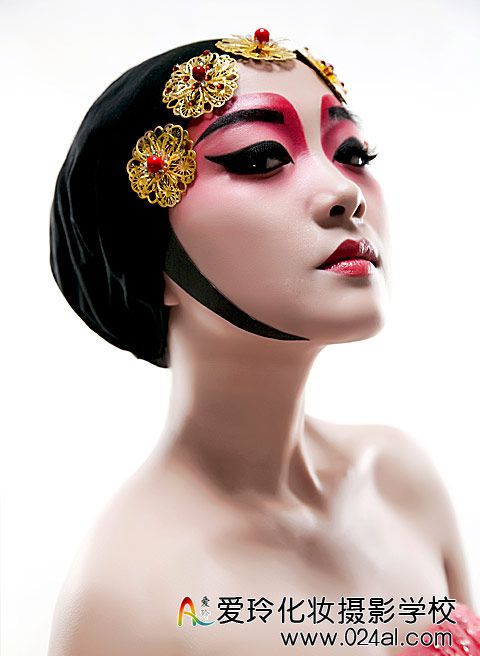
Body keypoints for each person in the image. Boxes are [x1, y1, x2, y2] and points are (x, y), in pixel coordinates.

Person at [48, 31, 478, 656]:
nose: (347, 193)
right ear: (144, 254)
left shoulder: (399, 478)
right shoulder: (125, 597)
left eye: (352, 152)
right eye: (258, 158)